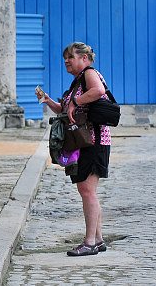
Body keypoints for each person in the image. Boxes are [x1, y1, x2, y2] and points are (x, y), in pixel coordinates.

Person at [37, 42, 111, 256]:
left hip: (93, 140)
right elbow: (67, 111)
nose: (67, 61)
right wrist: (48, 101)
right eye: (65, 58)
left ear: (84, 59)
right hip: (84, 140)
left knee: (87, 190)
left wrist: (74, 102)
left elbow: (98, 91)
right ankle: (97, 239)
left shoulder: (89, 74)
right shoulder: (77, 82)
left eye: (71, 57)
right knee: (87, 190)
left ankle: (90, 242)